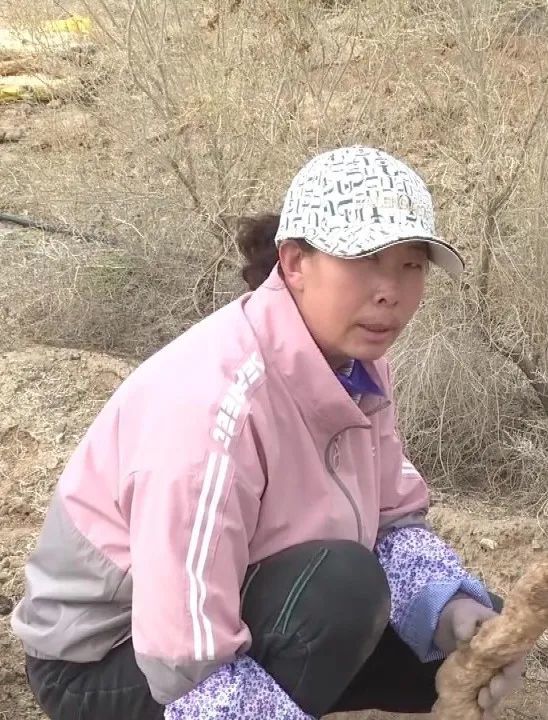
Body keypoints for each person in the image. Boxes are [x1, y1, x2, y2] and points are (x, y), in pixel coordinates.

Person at [11, 146, 525, 720]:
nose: (390, 291)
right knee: (339, 590)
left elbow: (389, 519)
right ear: (296, 262)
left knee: (460, 636)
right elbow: (185, 661)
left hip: (232, 605)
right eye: (366, 261)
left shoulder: (357, 368)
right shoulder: (213, 406)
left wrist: (448, 611)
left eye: (411, 266)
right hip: (111, 659)